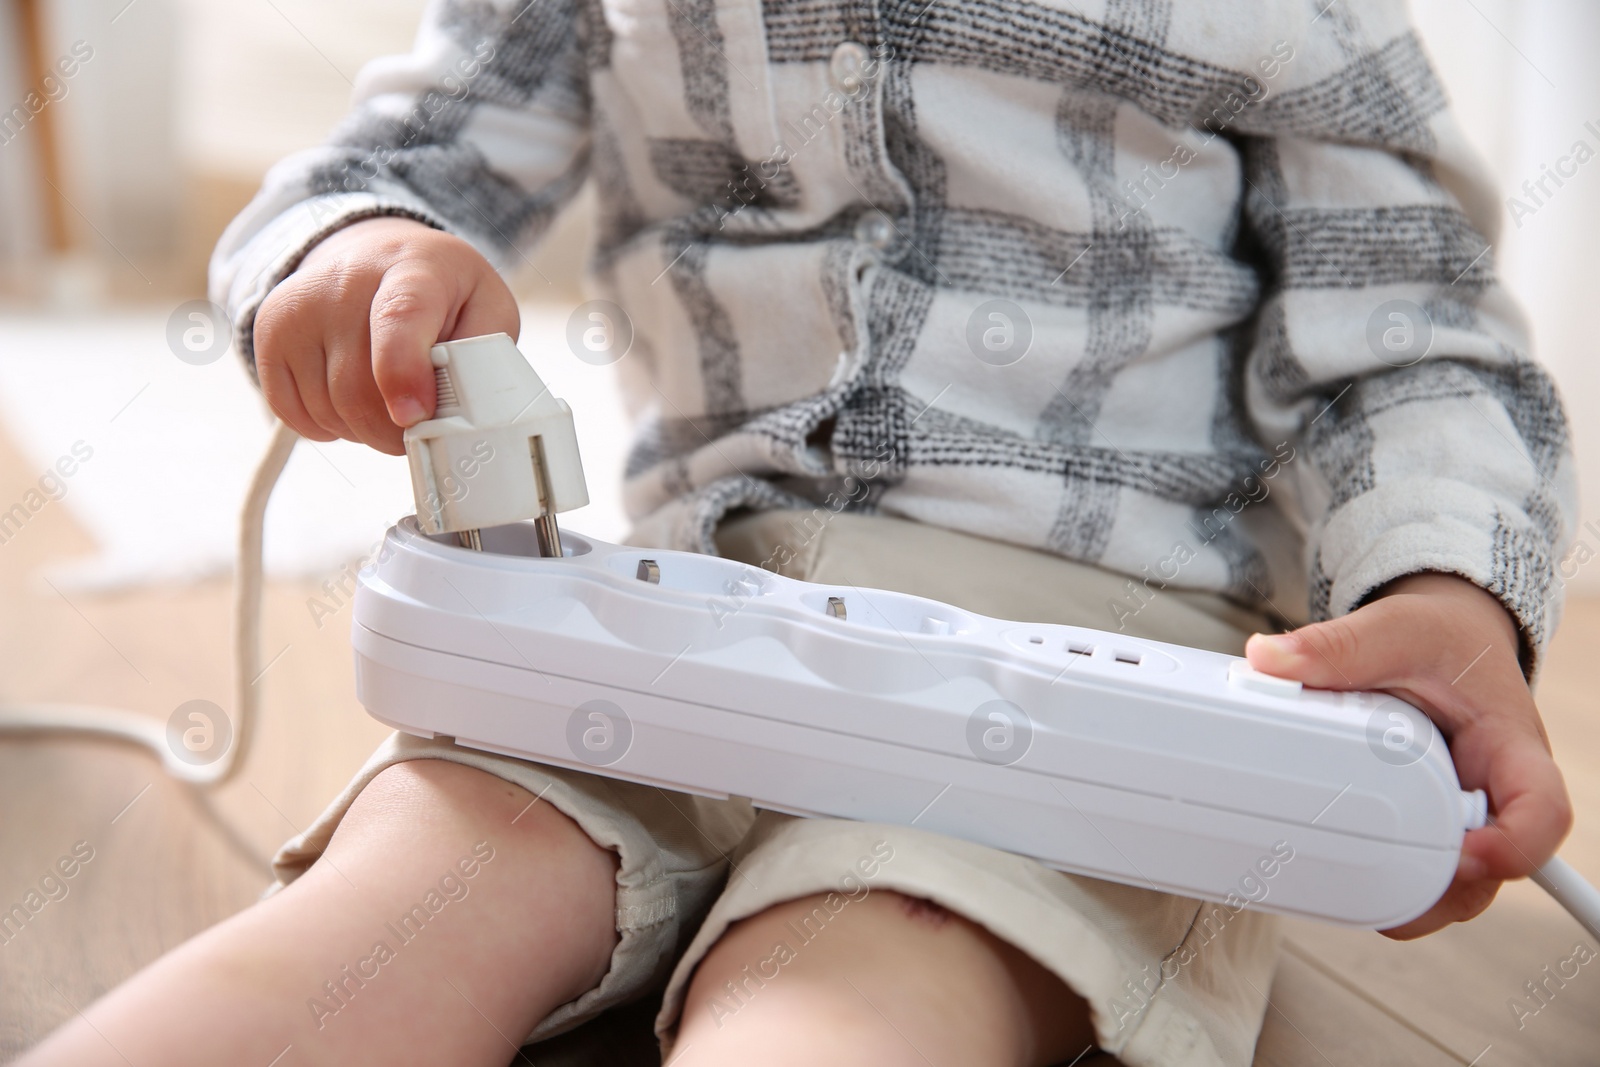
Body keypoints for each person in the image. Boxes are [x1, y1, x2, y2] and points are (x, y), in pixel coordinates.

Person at [20, 2, 1576, 1065]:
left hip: (1087, 669)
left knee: (866, 976)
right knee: (410, 896)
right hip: (682, 605)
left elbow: (1419, 341)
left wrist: (1443, 589)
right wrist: (354, 255)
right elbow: (391, 166)